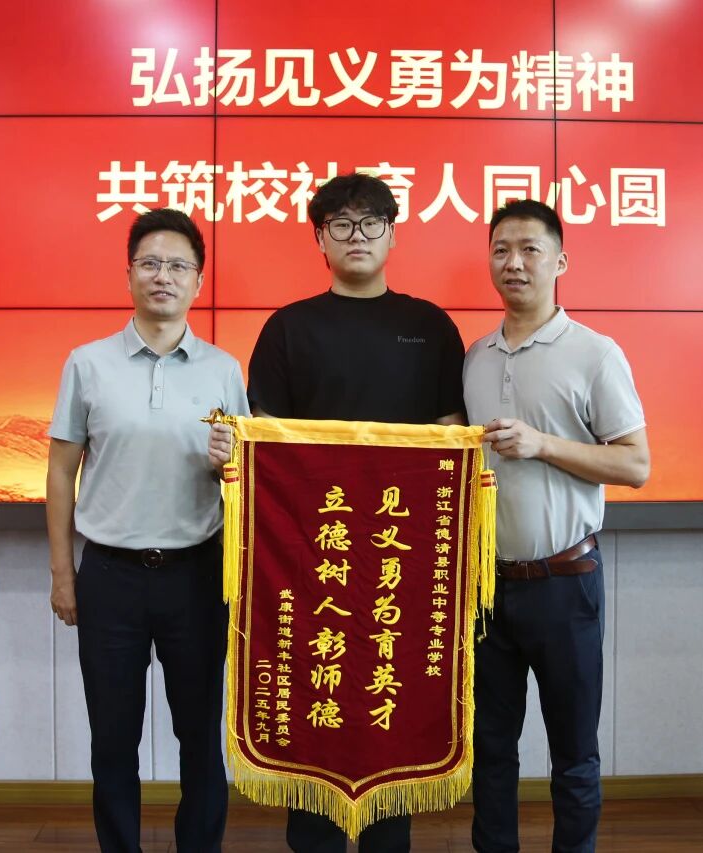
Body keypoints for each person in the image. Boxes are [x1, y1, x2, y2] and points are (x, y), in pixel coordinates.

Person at [208, 172, 466, 853]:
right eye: (342, 225)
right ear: (319, 239)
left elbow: (451, 431)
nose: (358, 236)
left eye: (371, 222)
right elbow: (266, 442)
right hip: (311, 557)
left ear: (393, 234)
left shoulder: (430, 327)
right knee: (313, 702)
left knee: (390, 701)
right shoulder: (289, 328)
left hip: (402, 559)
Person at [47, 208, 249, 853]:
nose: (164, 276)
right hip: (109, 576)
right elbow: (60, 472)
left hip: (197, 575)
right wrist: (62, 574)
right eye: (151, 263)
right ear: (130, 273)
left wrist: (229, 465)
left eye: (178, 266)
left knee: (200, 738)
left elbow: (247, 478)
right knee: (113, 740)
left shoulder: (224, 369)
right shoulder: (87, 364)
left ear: (198, 281)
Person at [463, 199, 650, 853]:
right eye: (501, 249)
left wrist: (542, 444)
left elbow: (636, 464)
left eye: (530, 249)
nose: (513, 262)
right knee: (490, 750)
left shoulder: (595, 353)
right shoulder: (476, 357)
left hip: (565, 582)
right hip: (486, 586)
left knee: (573, 752)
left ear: (560, 261)